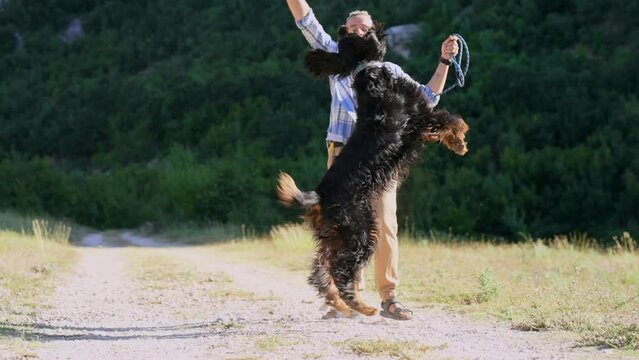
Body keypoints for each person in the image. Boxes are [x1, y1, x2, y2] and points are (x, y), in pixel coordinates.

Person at [286, 0, 459, 321]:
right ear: (343, 35)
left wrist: (444, 61)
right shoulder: (339, 60)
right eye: (351, 28)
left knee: (385, 225)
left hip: (380, 157)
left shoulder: (389, 71)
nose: (357, 31)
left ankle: (390, 297)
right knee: (344, 225)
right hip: (344, 154)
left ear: (374, 33)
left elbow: (427, 99)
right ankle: (350, 296)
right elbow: (306, 20)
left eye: (363, 28)